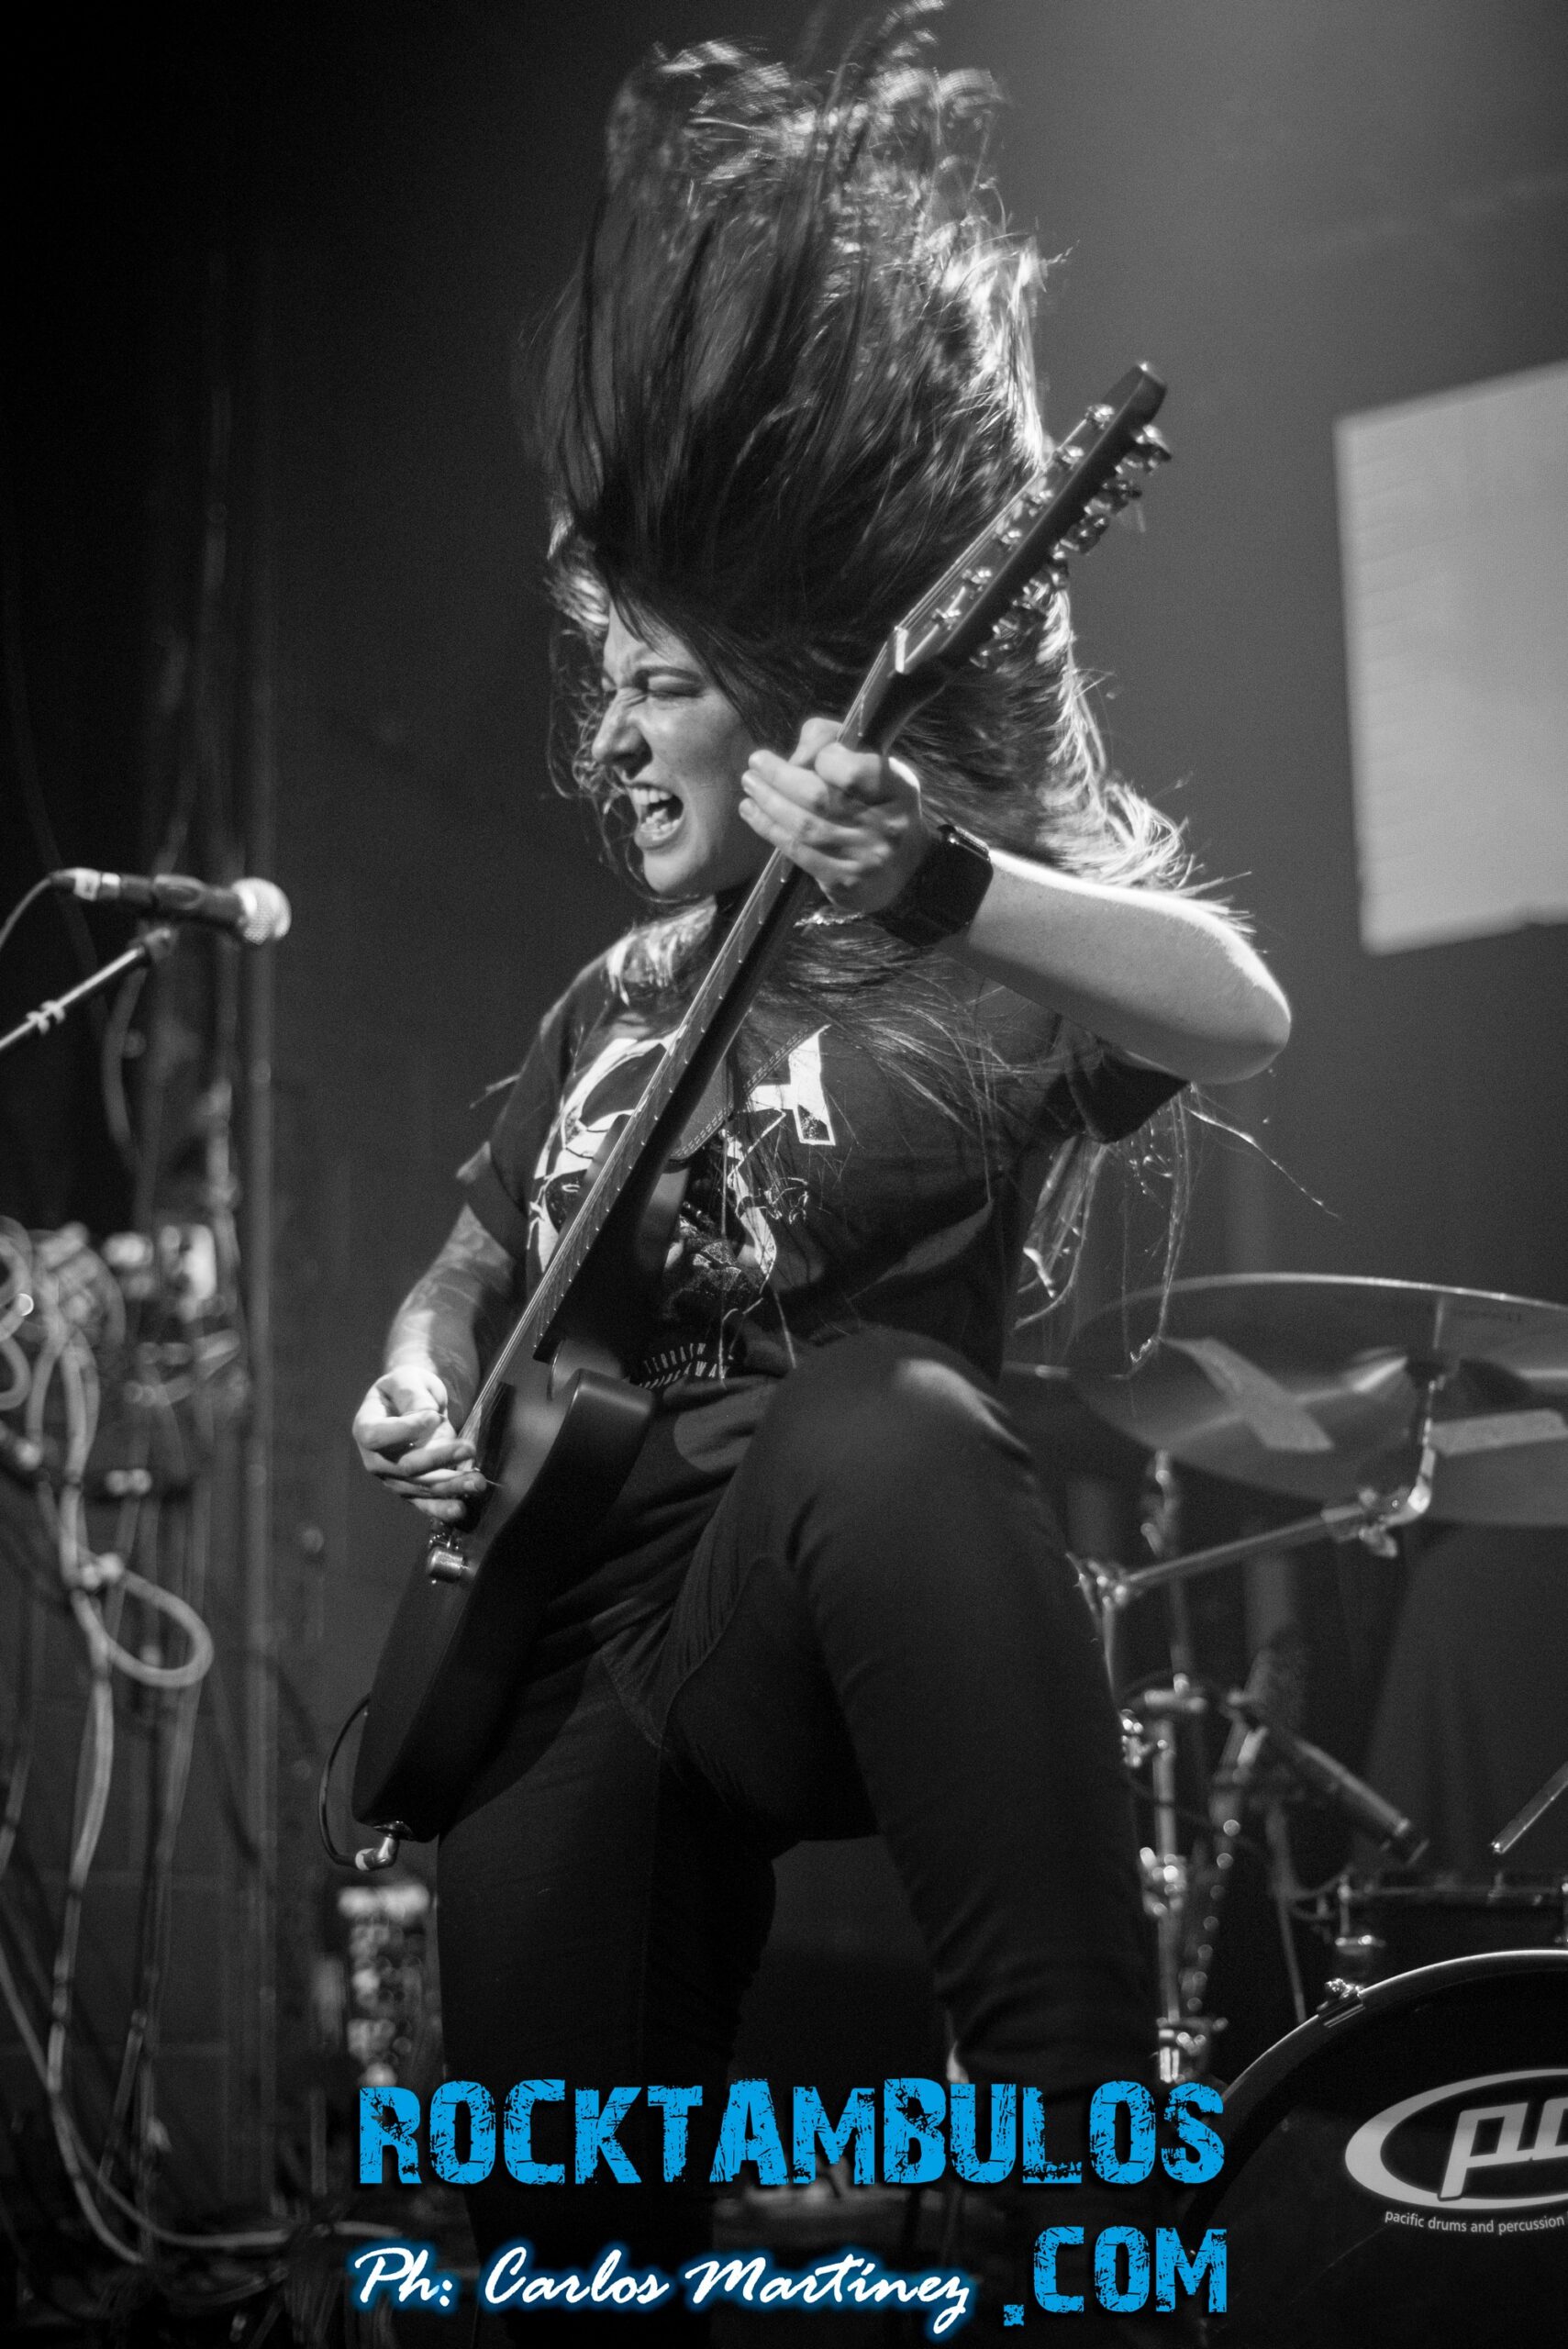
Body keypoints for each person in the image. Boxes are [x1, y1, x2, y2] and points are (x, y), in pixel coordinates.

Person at [350, 11, 1288, 2337]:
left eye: (655, 683)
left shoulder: (962, 953)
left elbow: (1238, 1010)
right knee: (558, 2251)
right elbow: (470, 1255)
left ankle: (1085, 2203)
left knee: (885, 1419)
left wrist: (948, 875)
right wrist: (421, 1373)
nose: (609, 733)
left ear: (782, 698)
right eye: (603, 684)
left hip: (811, 1557)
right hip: (559, 1642)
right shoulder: (608, 996)